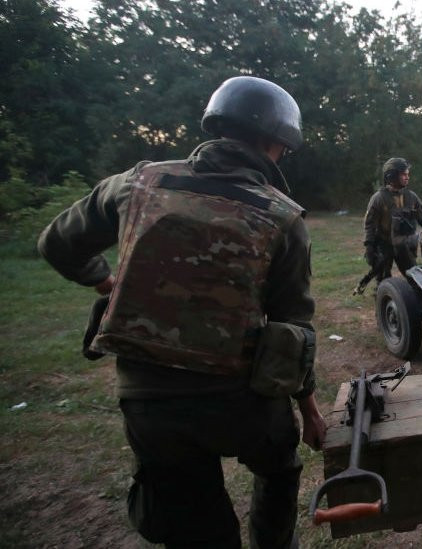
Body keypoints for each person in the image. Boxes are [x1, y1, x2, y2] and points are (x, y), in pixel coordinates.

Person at [37, 75, 326, 548]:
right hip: (242, 402)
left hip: (150, 401)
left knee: (193, 519)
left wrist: (106, 282)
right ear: (277, 144)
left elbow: (56, 244)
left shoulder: (138, 182)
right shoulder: (283, 216)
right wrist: (309, 410)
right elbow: (292, 331)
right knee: (279, 468)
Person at [363, 157, 422, 281]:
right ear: (391, 176)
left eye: (408, 174)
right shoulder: (379, 198)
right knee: (384, 280)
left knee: (414, 277)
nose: (407, 177)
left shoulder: (411, 197)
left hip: (405, 243)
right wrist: (369, 246)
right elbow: (370, 225)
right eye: (403, 174)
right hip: (384, 244)